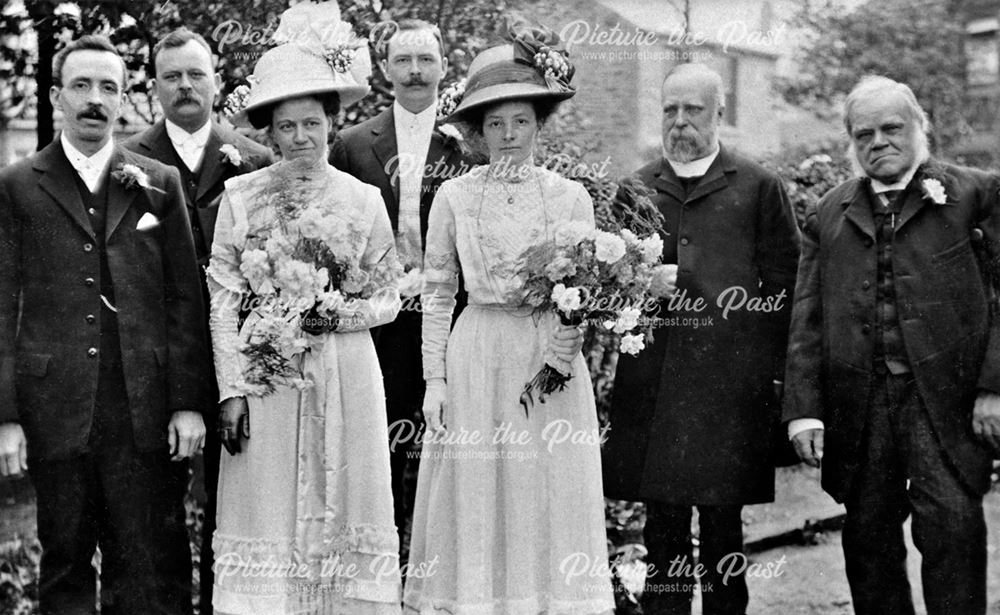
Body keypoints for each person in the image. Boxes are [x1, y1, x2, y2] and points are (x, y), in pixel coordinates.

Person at [402, 25, 615, 615]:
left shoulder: (571, 198)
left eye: (520, 121)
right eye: (495, 123)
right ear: (478, 130)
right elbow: (439, 291)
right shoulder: (455, 198)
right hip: (478, 352)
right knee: (480, 486)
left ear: (539, 124)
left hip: (548, 356)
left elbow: (578, 292)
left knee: (545, 484)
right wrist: (435, 382)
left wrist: (563, 353)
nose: (509, 135)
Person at [0, 34, 209, 614]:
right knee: (64, 563)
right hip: (56, 411)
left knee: (145, 567)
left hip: (142, 413)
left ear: (123, 100)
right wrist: (7, 417)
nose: (95, 99)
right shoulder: (19, 185)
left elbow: (183, 301)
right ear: (56, 96)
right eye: (82, 86)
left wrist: (187, 402)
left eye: (109, 88)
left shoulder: (158, 183)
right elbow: (1, 305)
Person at [205, 3, 402, 613]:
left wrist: (334, 314)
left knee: (345, 495)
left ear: (330, 125)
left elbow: (390, 295)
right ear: (268, 131)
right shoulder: (240, 198)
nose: (299, 139)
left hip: (345, 369)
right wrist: (230, 389)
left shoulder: (364, 199)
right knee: (267, 505)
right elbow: (222, 297)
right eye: (285, 126)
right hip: (270, 373)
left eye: (312, 124)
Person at [783, 75, 1000, 615]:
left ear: (919, 128)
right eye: (863, 134)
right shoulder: (829, 213)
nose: (878, 141)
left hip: (943, 405)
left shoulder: (975, 194)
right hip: (861, 408)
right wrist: (805, 412)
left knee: (953, 529)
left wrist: (993, 388)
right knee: (868, 541)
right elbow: (807, 318)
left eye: (891, 128)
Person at [602, 63, 800, 615]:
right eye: (670, 110)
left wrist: (774, 378)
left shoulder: (759, 188)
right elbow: (605, 288)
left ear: (719, 113)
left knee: (722, 534)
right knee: (662, 529)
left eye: (693, 110)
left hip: (729, 393)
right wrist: (641, 283)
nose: (680, 122)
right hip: (656, 388)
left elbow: (786, 289)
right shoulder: (635, 188)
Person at [121, 27, 274, 615]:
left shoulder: (255, 160)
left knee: (234, 507)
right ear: (155, 86)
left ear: (216, 82)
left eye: (196, 74)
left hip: (239, 356)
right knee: (157, 507)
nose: (185, 86)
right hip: (157, 361)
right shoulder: (128, 160)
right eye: (172, 76)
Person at [330, 19, 476, 558]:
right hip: (381, 323)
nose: (415, 71)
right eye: (403, 61)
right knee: (382, 446)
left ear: (443, 67)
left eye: (426, 60)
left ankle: (439, 564)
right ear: (386, 70)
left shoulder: (469, 143)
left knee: (448, 446)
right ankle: (382, 567)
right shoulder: (350, 144)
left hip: (452, 319)